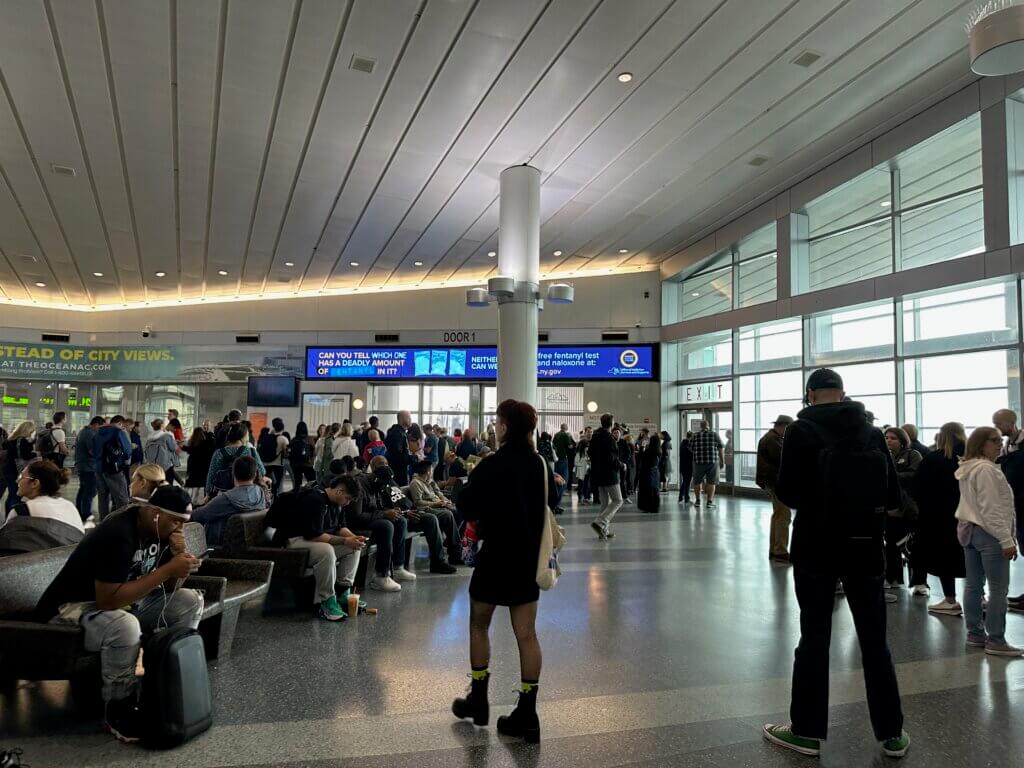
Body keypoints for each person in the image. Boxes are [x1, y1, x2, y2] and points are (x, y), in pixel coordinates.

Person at [764, 368, 908, 759]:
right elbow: (893, 494)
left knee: (814, 637)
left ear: (810, 395)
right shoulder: (872, 432)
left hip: (815, 547)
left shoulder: (801, 431)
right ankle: (892, 733)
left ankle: (807, 732)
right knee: (875, 641)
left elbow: (790, 493)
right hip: (865, 549)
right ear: (843, 393)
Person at [33, 485, 203, 743]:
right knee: (124, 625)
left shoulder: (162, 532)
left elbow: (169, 590)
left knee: (189, 601)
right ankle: (118, 707)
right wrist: (167, 570)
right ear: (155, 513)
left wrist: (180, 562)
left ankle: (165, 680)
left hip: (120, 602)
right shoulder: (119, 533)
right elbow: (107, 600)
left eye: (184, 523)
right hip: (71, 607)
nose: (179, 528)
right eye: (175, 521)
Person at [452, 399, 556, 743]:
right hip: (527, 561)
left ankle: (478, 699)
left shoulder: (491, 465)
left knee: (479, 623)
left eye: (498, 422)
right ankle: (528, 713)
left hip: (495, 557)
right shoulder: (539, 464)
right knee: (527, 634)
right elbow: (551, 500)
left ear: (507, 426)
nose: (495, 427)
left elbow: (466, 505)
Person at [955, 426, 1022, 656]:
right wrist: (1006, 540)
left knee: (973, 585)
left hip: (969, 531)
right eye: (994, 440)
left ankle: (975, 633)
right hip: (989, 533)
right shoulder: (986, 470)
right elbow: (991, 509)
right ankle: (996, 639)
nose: (999, 444)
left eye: (1000, 440)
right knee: (998, 589)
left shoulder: (967, 467)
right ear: (982, 444)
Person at [367, 455, 457, 575]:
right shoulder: (374, 484)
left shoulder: (390, 482)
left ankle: (438, 562)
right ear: (373, 467)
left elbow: (403, 501)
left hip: (408, 513)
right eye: (381, 465)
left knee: (431, 518)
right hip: (395, 517)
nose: (385, 467)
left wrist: (411, 510)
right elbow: (380, 507)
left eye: (386, 464)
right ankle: (397, 567)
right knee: (432, 518)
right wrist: (405, 512)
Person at [913, 422, 967, 616]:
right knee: (972, 556)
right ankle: (980, 597)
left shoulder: (933, 459)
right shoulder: (971, 458)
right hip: (967, 515)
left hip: (938, 517)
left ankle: (950, 599)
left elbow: (918, 488)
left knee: (945, 557)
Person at [0, 459, 84, 555]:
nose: (17, 480)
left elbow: (4, 542)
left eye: (21, 476)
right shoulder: (70, 506)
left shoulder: (22, 512)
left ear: (35, 483)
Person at [192, 455, 268, 547]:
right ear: (255, 474)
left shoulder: (226, 499)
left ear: (233, 473)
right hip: (247, 545)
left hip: (217, 547)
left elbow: (198, 515)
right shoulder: (260, 492)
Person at [883, 427, 924, 593]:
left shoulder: (912, 455)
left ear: (902, 440)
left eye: (893, 438)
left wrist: (892, 476)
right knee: (891, 544)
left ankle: (919, 582)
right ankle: (892, 577)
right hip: (890, 507)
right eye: (886, 438)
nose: (889, 441)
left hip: (909, 507)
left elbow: (915, 475)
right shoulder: (885, 457)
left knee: (913, 544)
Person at [408, 459, 463, 564]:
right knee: (448, 514)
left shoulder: (430, 481)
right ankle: (455, 552)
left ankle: (454, 548)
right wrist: (436, 504)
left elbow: (439, 493)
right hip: (428, 509)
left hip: (439, 505)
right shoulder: (416, 483)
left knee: (460, 512)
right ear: (428, 471)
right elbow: (418, 503)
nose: (432, 472)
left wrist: (446, 501)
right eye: (431, 470)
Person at [756, 415, 794, 562]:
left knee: (778, 515)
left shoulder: (771, 437)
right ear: (783, 426)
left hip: (771, 481)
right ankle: (780, 551)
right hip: (775, 481)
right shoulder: (773, 440)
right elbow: (783, 459)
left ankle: (775, 549)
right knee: (783, 516)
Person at [206, 423, 267, 497]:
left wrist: (208, 493)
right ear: (243, 436)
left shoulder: (218, 453)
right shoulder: (251, 451)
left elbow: (211, 475)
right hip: (246, 494)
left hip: (223, 494)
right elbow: (261, 471)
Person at [589, 413, 623, 540]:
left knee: (605, 503)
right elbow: (612, 460)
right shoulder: (609, 439)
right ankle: (599, 522)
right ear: (612, 423)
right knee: (618, 500)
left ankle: (603, 530)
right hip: (609, 475)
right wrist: (622, 465)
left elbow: (590, 453)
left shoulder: (595, 437)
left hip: (598, 474)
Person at [95, 416, 133, 520]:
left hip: (99, 469)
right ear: (120, 423)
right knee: (122, 498)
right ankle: (123, 522)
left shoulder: (98, 432)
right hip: (114, 468)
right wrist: (123, 458)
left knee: (103, 498)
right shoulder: (117, 432)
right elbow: (127, 450)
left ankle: (103, 521)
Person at [74, 416, 105, 521]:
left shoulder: (83, 431)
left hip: (83, 465)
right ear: (96, 424)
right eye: (100, 427)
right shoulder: (89, 434)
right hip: (88, 467)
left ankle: (79, 511)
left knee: (83, 490)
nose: (100, 429)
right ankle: (86, 514)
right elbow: (93, 451)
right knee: (89, 491)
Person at [2, 421, 37, 513]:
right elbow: (25, 456)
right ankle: (12, 517)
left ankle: (8, 515)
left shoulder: (11, 439)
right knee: (16, 495)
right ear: (28, 430)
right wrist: (35, 454)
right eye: (32, 430)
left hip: (7, 469)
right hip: (16, 471)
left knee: (11, 495)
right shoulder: (23, 441)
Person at [690, 421, 724, 507]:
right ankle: (709, 502)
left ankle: (697, 501)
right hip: (712, 462)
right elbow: (720, 448)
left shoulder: (695, 435)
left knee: (697, 482)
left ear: (700, 426)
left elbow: (690, 448)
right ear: (708, 426)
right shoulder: (714, 434)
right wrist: (722, 461)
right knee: (711, 482)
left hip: (698, 462)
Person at [182, 426, 215, 504]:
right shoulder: (206, 443)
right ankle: (197, 502)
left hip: (193, 468)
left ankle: (187, 501)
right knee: (199, 487)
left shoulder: (193, 443)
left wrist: (182, 446)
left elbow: (189, 450)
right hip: (202, 469)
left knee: (190, 484)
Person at [143, 418, 181, 486]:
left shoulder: (149, 438)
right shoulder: (166, 436)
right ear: (161, 425)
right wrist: (175, 442)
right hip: (166, 465)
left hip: (153, 465)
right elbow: (173, 448)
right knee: (168, 484)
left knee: (157, 484)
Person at [636, 433, 662, 513]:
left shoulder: (648, 450)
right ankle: (654, 507)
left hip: (646, 472)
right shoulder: (659, 450)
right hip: (655, 472)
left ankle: (646, 506)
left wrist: (642, 447)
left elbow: (640, 457)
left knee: (646, 489)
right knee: (654, 489)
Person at [385, 412, 413, 485]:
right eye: (409, 418)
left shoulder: (400, 432)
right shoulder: (397, 433)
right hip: (398, 472)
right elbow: (398, 456)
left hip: (399, 470)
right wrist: (413, 458)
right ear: (403, 419)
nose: (411, 420)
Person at [552, 424, 575, 509]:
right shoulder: (565, 435)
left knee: (557, 479)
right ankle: (557, 503)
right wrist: (572, 442)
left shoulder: (556, 435)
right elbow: (570, 446)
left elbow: (553, 445)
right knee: (564, 480)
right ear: (566, 428)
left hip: (556, 460)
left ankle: (555, 502)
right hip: (563, 459)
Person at [288, 421, 316, 488]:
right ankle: (311, 495)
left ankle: (297, 495)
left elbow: (289, 452)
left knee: (297, 483)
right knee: (312, 481)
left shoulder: (293, 440)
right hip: (308, 464)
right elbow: (314, 452)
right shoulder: (310, 439)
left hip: (296, 464)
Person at [677, 431, 694, 505]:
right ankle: (686, 498)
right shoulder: (689, 445)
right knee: (687, 482)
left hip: (682, 466)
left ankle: (681, 497)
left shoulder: (682, 444)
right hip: (689, 466)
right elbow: (691, 455)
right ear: (691, 437)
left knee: (685, 481)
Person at [576, 429, 592, 505]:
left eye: (591, 432)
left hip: (586, 466)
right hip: (583, 466)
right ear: (585, 433)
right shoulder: (582, 443)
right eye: (588, 432)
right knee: (583, 483)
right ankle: (582, 498)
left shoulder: (591, 442)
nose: (590, 433)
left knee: (586, 482)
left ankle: (585, 497)